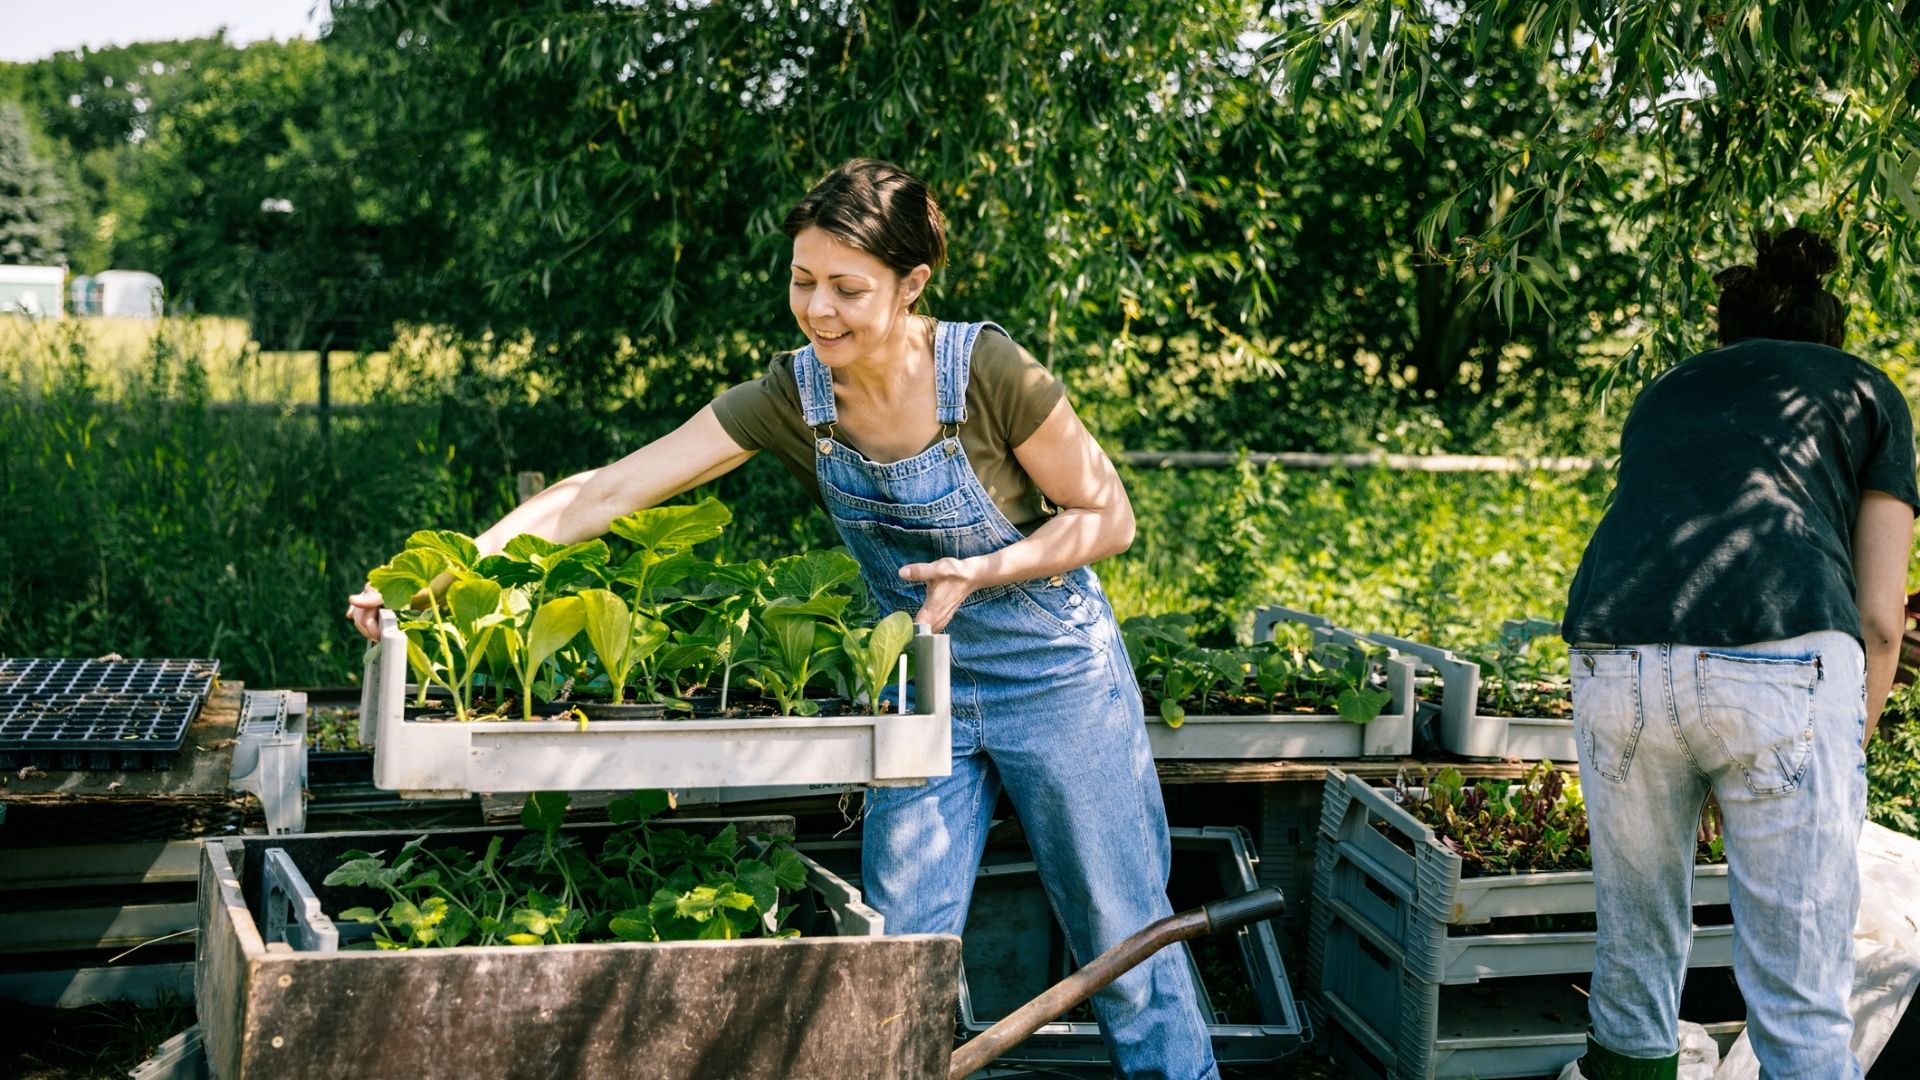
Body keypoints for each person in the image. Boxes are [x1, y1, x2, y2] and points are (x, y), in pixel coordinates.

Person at [348, 158, 1219, 1079]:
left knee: (1122, 933)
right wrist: (437, 577)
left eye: (849, 288)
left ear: (912, 284)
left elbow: (1108, 515)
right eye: (804, 281)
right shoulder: (794, 398)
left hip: (1057, 676)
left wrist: (987, 565)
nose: (820, 310)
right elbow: (603, 492)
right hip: (925, 687)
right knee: (896, 950)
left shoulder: (987, 372)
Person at [1561, 227, 1918, 1080]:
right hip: (1785, 662)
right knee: (1798, 996)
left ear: (1728, 333)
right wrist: (1843, 744)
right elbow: (1878, 618)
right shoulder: (1868, 393)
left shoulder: (1666, 390)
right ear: (1829, 335)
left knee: (1635, 960)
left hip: (1614, 654)